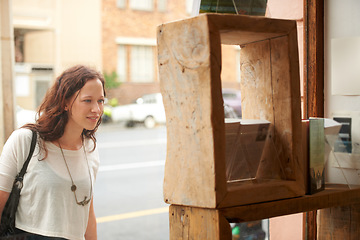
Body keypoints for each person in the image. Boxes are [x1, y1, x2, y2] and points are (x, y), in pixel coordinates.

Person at [0, 65, 106, 239]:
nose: (97, 109)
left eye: (100, 100)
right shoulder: (25, 140)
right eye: (88, 100)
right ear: (65, 102)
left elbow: (87, 213)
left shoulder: (90, 148)